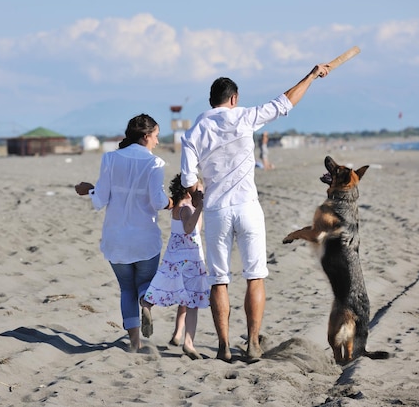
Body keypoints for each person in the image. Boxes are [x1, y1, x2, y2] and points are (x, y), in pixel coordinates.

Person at [180, 63, 331, 362]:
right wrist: (312, 76)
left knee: (219, 279)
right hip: (247, 207)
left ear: (212, 101)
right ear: (234, 99)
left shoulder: (195, 129)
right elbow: (285, 102)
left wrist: (200, 190)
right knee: (255, 276)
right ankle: (252, 343)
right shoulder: (245, 116)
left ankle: (223, 346)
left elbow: (187, 179)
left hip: (216, 210)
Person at [75, 113, 172, 352]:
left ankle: (135, 343)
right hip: (144, 238)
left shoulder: (110, 158)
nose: (158, 142)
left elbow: (100, 200)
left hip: (116, 238)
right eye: (156, 136)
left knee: (126, 288)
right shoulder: (154, 163)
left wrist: (89, 190)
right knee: (145, 283)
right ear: (147, 136)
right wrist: (173, 202)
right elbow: (158, 201)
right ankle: (146, 303)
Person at [143, 174, 210, 360]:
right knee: (193, 302)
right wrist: (201, 208)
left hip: (174, 255)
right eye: (200, 190)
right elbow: (189, 229)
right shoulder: (187, 209)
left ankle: (149, 304)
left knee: (171, 288)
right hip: (190, 257)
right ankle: (188, 343)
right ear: (191, 191)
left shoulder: (177, 207)